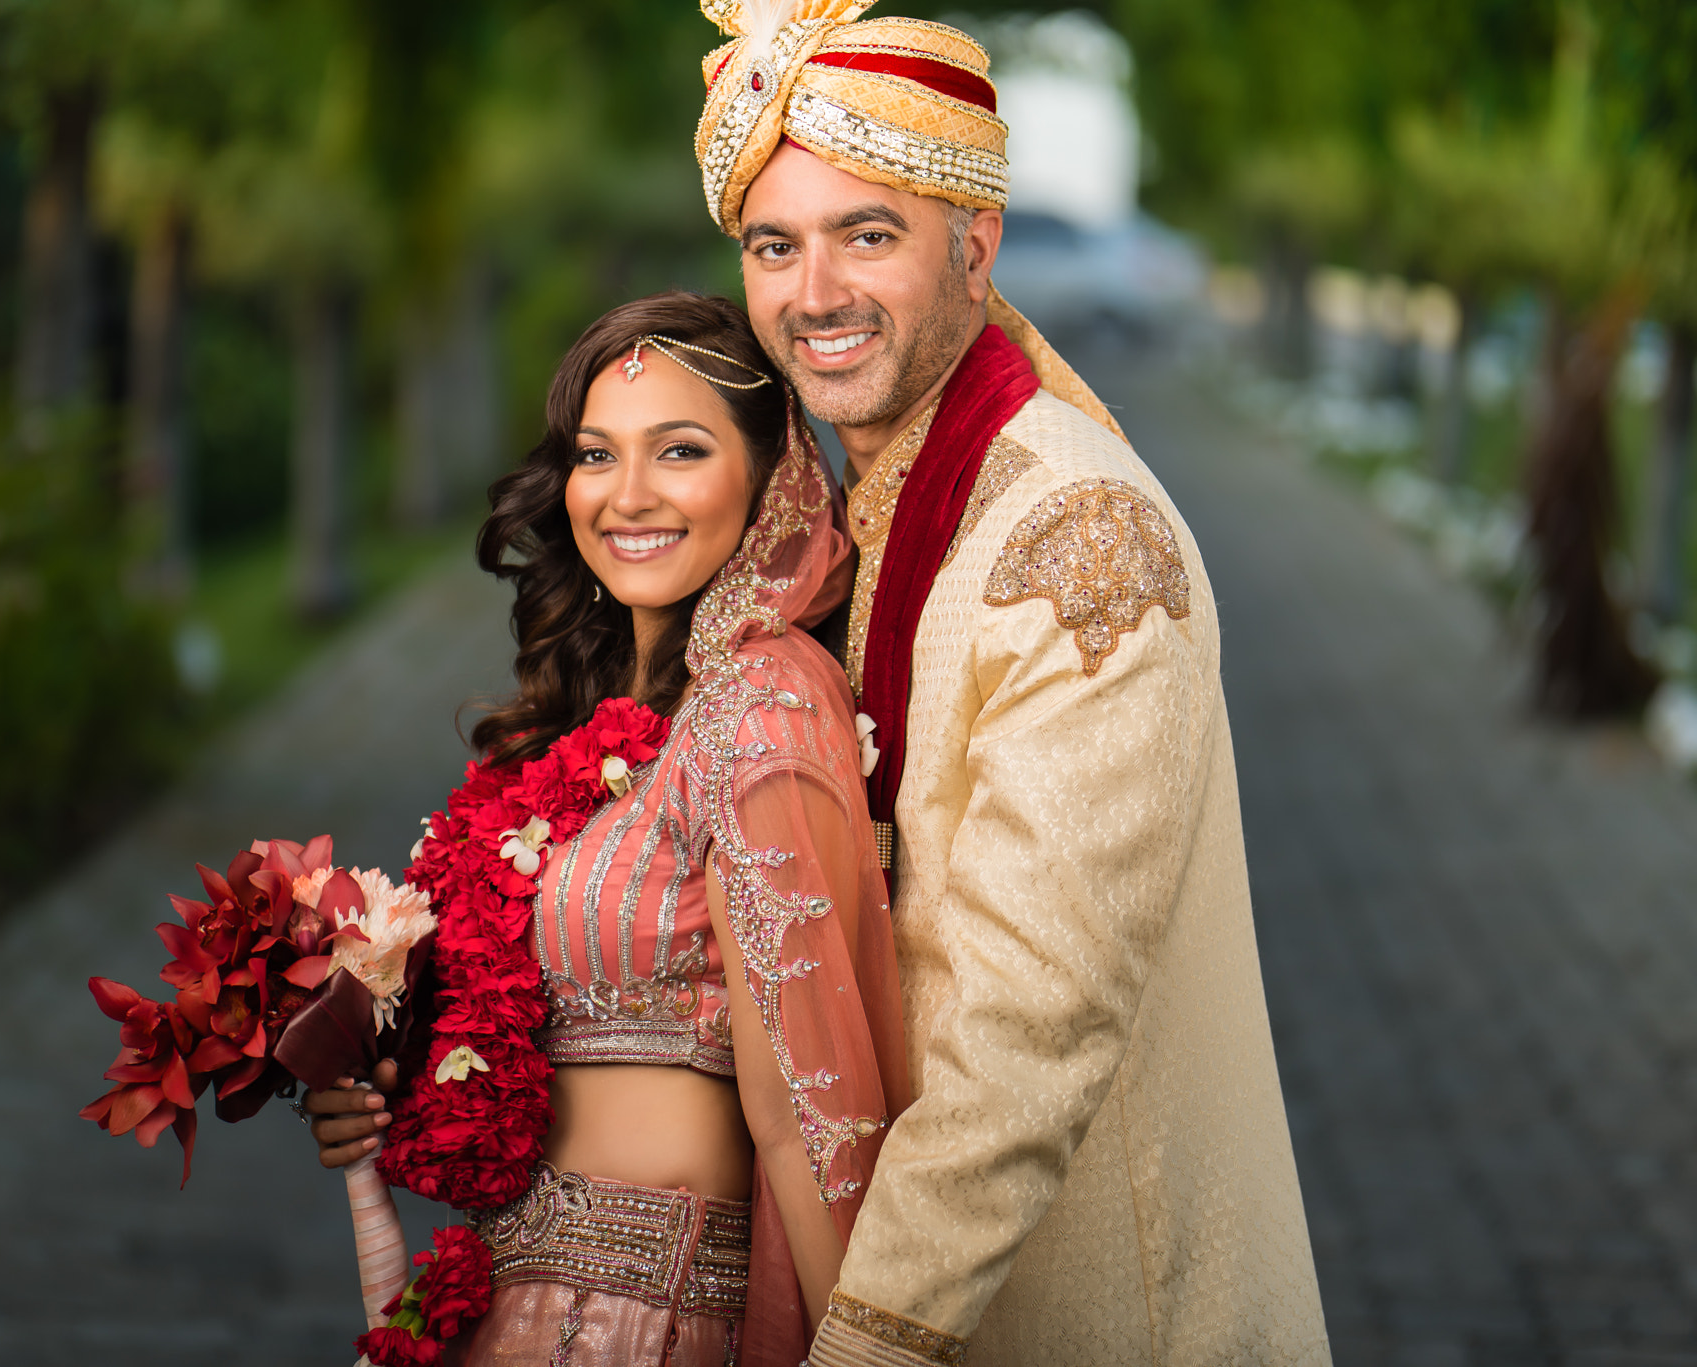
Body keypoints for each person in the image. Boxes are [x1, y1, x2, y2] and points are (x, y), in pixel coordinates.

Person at [688, 3, 1334, 1364]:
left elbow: (1024, 1036)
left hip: (1103, 1312)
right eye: (774, 245)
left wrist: (855, 1343)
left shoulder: (1081, 539)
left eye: (869, 234)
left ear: (976, 250)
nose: (815, 292)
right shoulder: (868, 501)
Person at [310, 291, 908, 1365]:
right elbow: (523, 1042)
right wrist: (386, 1094)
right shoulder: (582, 729)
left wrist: (864, 1354)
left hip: (643, 1322)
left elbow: (804, 1120)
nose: (626, 496)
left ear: (770, 480)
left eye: (677, 450)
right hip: (505, 1301)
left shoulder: (756, 705)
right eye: (596, 454)